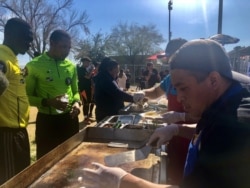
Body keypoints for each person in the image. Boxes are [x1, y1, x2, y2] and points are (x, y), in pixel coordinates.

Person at [83, 39, 250, 188]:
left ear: (213, 80)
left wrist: (123, 181)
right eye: (176, 89)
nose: (179, 97)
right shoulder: (227, 98)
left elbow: (220, 134)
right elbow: (209, 129)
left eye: (183, 88)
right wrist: (176, 129)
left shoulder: (236, 132)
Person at [144, 38, 197, 184]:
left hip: (191, 136)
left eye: (172, 57)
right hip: (173, 134)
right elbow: (155, 92)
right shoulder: (170, 77)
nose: (168, 60)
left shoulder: (198, 78)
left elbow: (208, 119)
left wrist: (181, 116)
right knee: (173, 170)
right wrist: (143, 93)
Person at [25, 30, 81, 159]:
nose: (67, 51)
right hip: (47, 122)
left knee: (71, 158)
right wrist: (48, 102)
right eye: (63, 47)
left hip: (70, 120)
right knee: (46, 161)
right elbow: (26, 97)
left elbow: (75, 91)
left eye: (69, 47)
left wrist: (77, 103)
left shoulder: (71, 66)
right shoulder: (34, 65)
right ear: (52, 43)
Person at [0, 18, 33, 184]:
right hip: (6, 134)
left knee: (22, 178)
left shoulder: (13, 59)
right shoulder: (2, 56)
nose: (29, 44)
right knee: (11, 181)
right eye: (27, 38)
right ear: (11, 35)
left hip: (19, 132)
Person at [94, 57, 145, 122]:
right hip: (106, 113)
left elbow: (114, 90)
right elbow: (117, 93)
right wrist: (134, 98)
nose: (118, 72)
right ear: (110, 68)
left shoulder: (107, 76)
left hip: (109, 112)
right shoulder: (104, 78)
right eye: (117, 70)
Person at [77, 57, 95, 123]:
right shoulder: (80, 69)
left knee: (89, 103)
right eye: (87, 62)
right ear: (83, 62)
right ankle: (85, 119)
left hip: (88, 88)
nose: (88, 64)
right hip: (83, 89)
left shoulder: (85, 70)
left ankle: (87, 117)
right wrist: (92, 70)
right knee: (86, 103)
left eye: (89, 62)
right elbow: (87, 77)